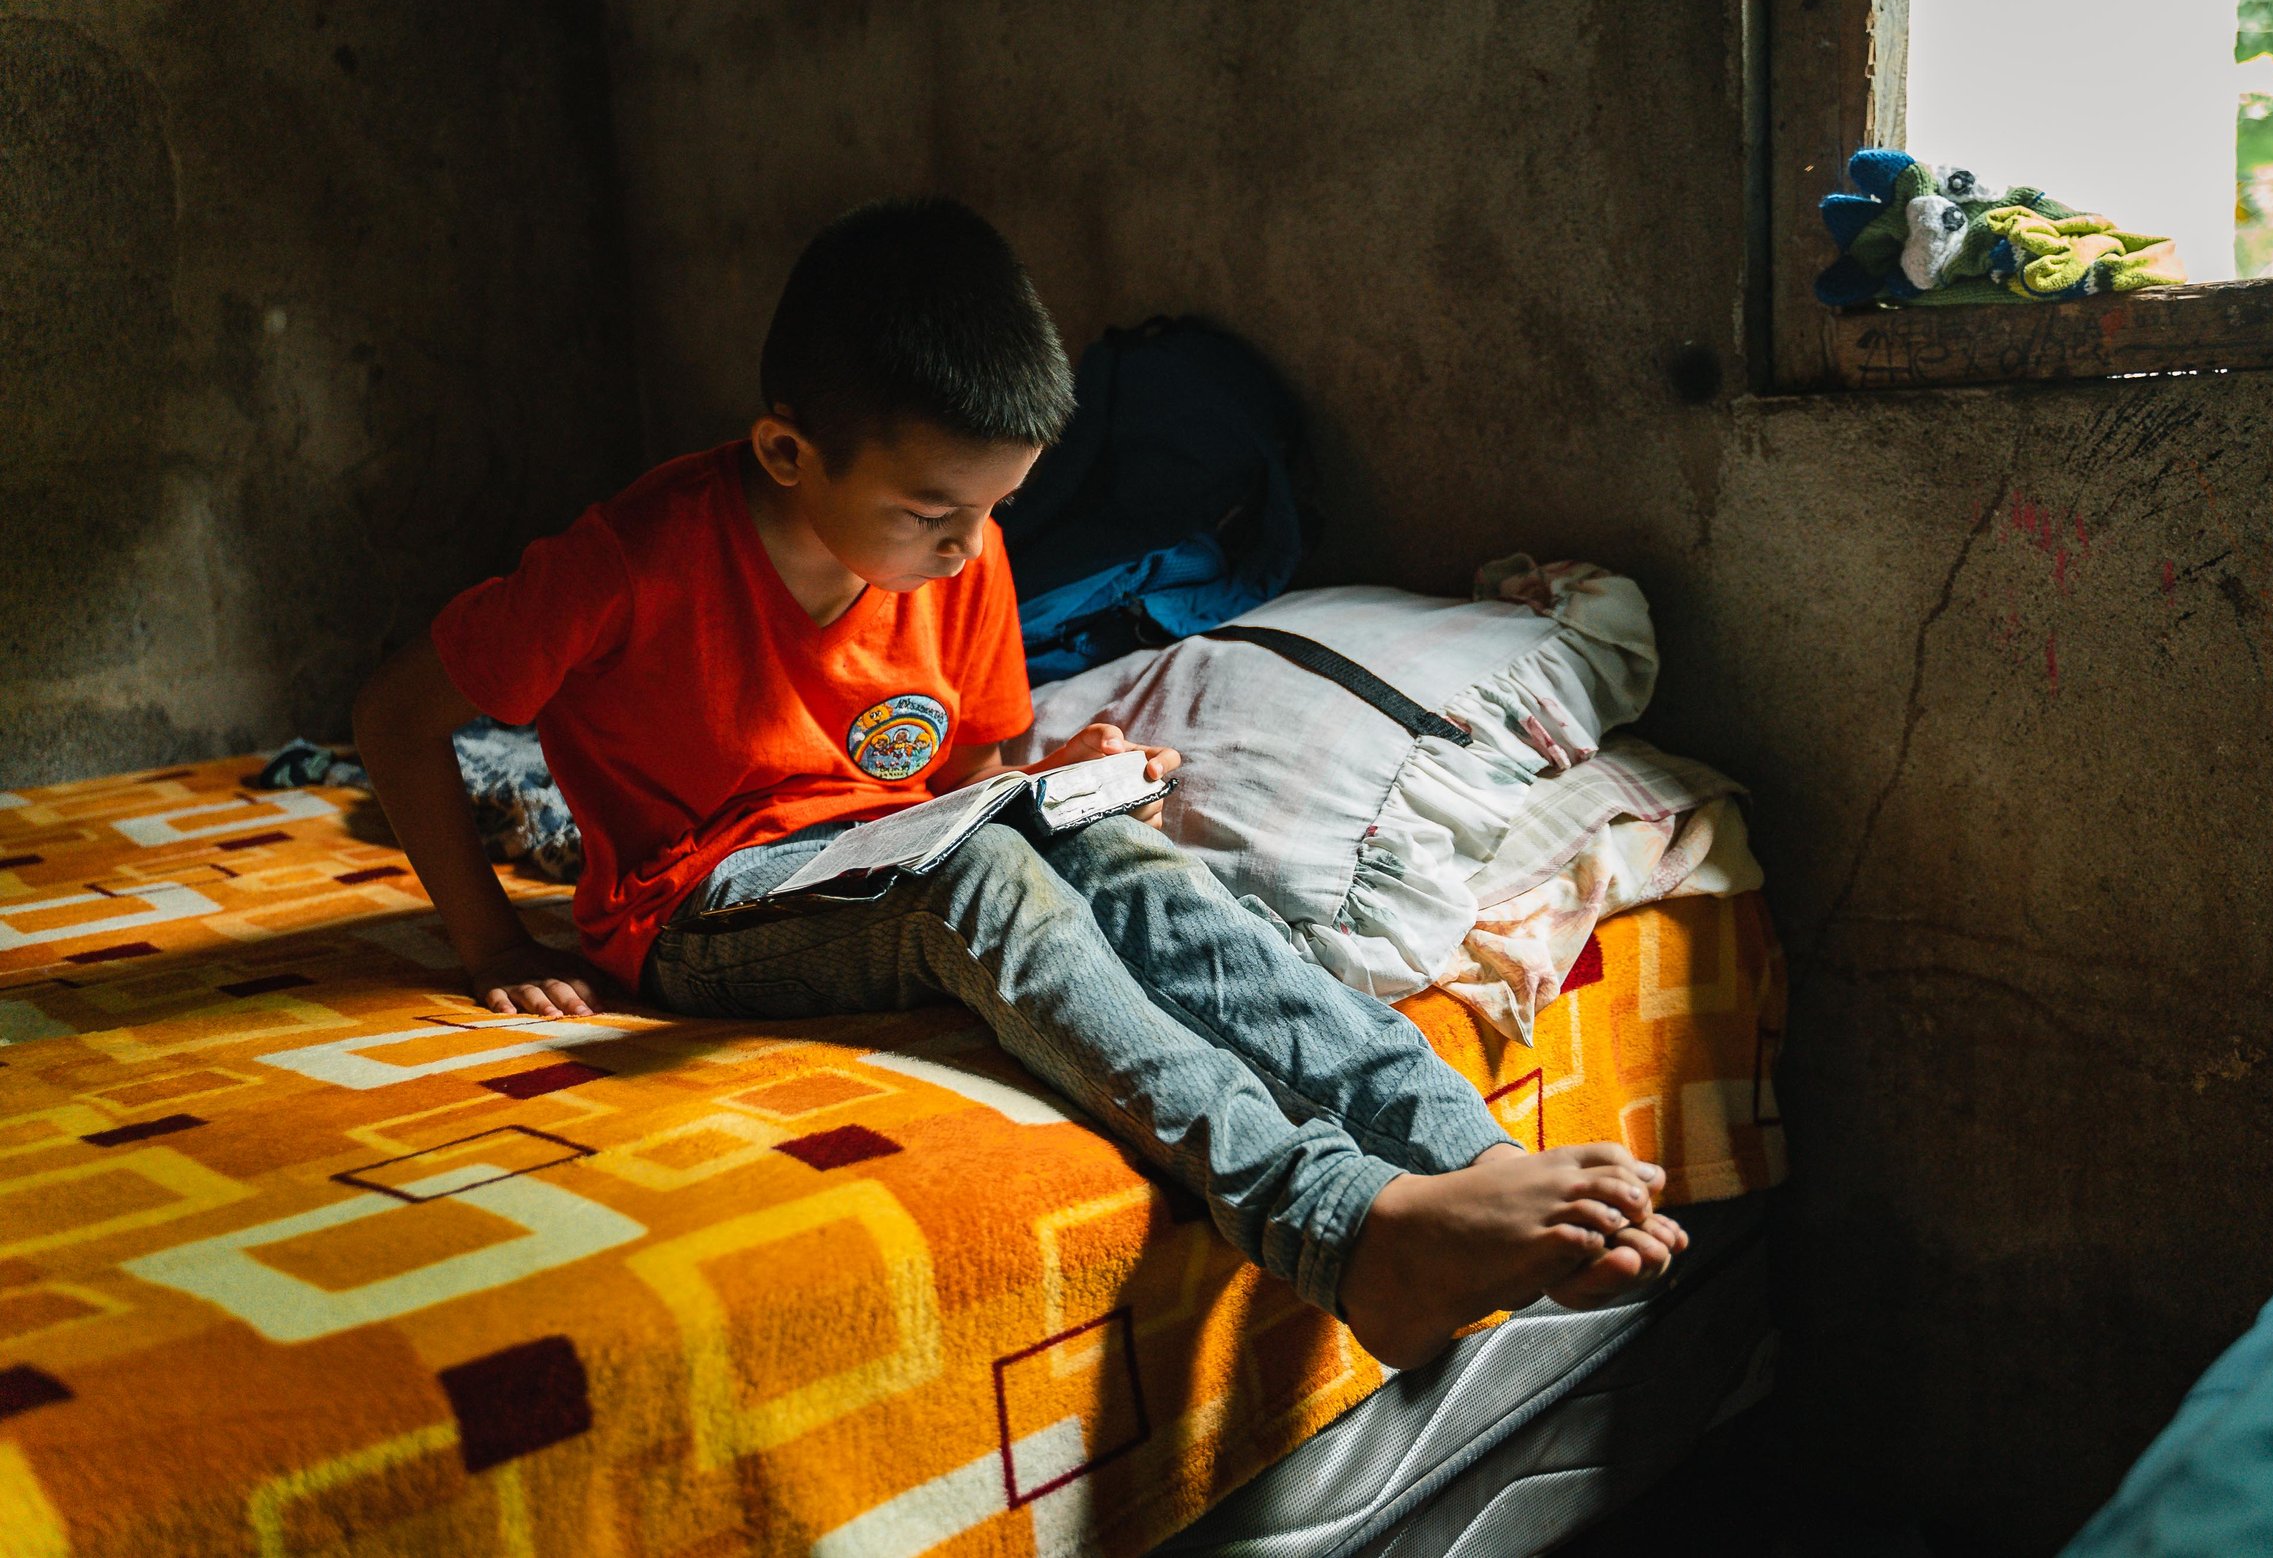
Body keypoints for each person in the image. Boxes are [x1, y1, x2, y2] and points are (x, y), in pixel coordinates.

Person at [352, 197, 1684, 1368]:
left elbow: (970, 772)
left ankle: (1463, 1149)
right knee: (978, 882)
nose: (971, 547)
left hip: (886, 855)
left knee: (1133, 864)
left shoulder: (961, 558)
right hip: (697, 904)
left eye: (993, 509)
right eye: (934, 511)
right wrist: (487, 941)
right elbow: (400, 715)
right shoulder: (631, 560)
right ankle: (1339, 1225)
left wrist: (1056, 784)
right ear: (783, 452)